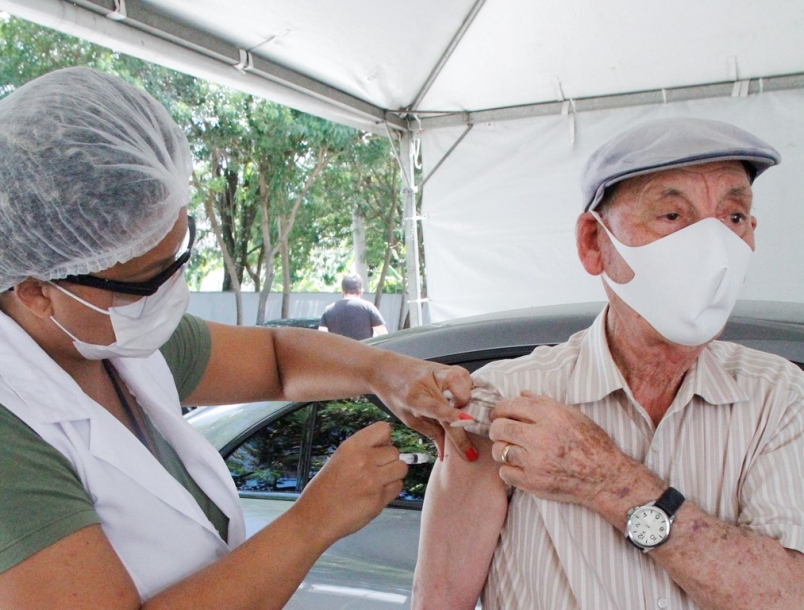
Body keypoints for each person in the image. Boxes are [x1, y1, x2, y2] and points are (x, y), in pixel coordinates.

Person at [0, 67, 478, 610]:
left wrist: (386, 373)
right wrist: (314, 521)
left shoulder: (108, 340)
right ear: (37, 289)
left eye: (180, 258)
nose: (171, 294)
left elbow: (276, 361)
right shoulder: (10, 433)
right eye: (148, 281)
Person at [413, 117, 804, 609]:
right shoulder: (504, 402)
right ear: (594, 244)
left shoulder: (781, 397)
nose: (713, 247)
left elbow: (789, 597)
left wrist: (607, 479)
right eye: (672, 216)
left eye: (733, 217)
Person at [318, 273, 388, 340]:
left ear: (342, 291)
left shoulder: (329, 310)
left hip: (336, 351)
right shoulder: (369, 307)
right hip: (362, 351)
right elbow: (384, 336)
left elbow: (321, 337)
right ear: (361, 291)